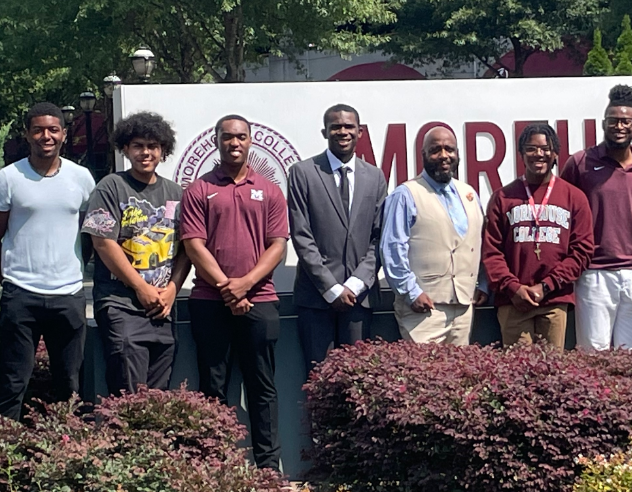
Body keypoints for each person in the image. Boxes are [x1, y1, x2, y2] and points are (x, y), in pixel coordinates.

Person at [180, 114, 287, 470]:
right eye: (227, 137)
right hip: (210, 303)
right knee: (213, 387)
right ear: (216, 141)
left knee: (262, 387)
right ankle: (214, 465)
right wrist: (229, 288)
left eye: (241, 137)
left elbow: (277, 246)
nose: (234, 143)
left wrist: (245, 285)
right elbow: (194, 245)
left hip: (262, 301)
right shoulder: (199, 189)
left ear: (250, 141)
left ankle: (268, 468)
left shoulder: (270, 190)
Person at [81, 112, 191, 395]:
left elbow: (187, 249)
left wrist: (172, 290)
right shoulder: (110, 187)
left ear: (163, 151)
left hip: (163, 309)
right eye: (138, 145)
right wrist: (140, 287)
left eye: (153, 146)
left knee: (158, 394)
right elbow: (103, 242)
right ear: (125, 149)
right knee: (128, 391)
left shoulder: (176, 193)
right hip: (120, 304)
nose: (146, 152)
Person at [0, 102, 95, 420]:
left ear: (64, 135)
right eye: (38, 129)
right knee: (13, 382)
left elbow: (91, 232)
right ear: (27, 134)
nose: (46, 136)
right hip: (20, 293)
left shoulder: (81, 178)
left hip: (68, 294)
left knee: (69, 384)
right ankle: (7, 457)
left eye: (53, 129)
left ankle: (64, 454)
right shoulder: (9, 178)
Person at [288, 104, 387, 374]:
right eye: (336, 127)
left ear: (360, 132)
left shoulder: (375, 177)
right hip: (316, 298)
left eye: (348, 127)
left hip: (359, 298)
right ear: (325, 132)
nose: (342, 132)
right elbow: (301, 235)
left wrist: (354, 285)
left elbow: (379, 238)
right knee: (318, 381)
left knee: (357, 382)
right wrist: (331, 289)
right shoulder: (303, 173)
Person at [560, 85, 632, 350]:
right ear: (603, 124)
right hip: (594, 272)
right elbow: (562, 212)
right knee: (593, 354)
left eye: (626, 121)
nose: (619, 126)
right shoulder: (580, 163)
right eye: (613, 121)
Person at [482, 123, 594, 348]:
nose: (539, 154)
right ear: (522, 153)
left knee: (551, 374)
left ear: (555, 153)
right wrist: (513, 288)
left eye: (545, 149)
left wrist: (547, 286)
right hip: (513, 302)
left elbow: (582, 251)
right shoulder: (502, 198)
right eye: (531, 148)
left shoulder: (575, 197)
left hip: (554, 300)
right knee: (516, 374)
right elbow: (491, 252)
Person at [380, 126, 487, 345]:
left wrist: (483, 284)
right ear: (424, 155)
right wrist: (411, 293)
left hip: (464, 308)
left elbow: (481, 242)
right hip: (423, 310)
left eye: (449, 149)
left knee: (461, 376)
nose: (444, 156)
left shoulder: (469, 194)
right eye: (435, 150)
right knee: (423, 376)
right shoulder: (406, 194)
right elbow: (392, 248)